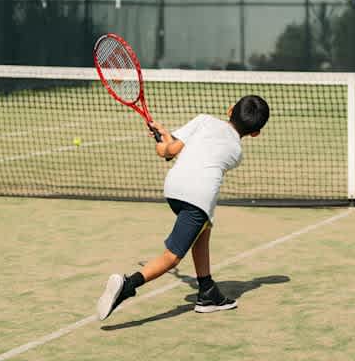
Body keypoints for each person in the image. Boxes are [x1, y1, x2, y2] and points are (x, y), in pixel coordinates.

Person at [96, 95, 270, 321]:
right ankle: (128, 284)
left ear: (229, 109)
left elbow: (169, 151)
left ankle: (207, 292)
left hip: (173, 189)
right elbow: (199, 153)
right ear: (255, 133)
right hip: (197, 197)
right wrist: (166, 142)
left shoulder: (204, 120)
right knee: (172, 257)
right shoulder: (237, 153)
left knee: (203, 229)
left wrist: (163, 140)